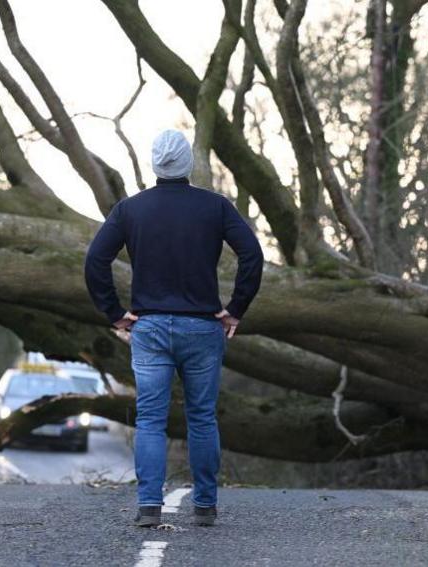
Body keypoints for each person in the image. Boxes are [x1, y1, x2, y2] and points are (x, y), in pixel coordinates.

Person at [83, 129, 264, 527]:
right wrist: (235, 310)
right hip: (202, 328)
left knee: (150, 418)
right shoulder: (214, 207)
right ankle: (205, 506)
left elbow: (95, 260)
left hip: (148, 328)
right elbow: (252, 254)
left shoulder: (131, 210)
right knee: (201, 417)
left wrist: (114, 313)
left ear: (155, 164)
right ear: (188, 164)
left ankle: (149, 506)